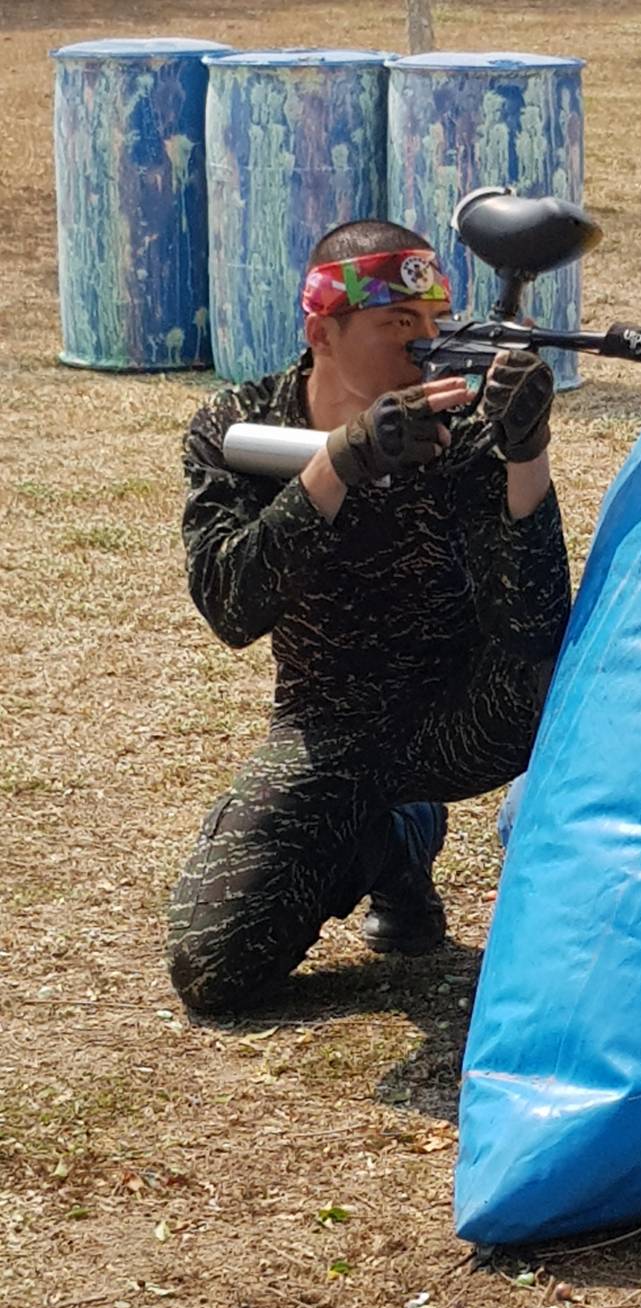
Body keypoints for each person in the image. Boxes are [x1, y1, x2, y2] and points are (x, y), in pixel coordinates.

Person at [166, 219, 570, 1017]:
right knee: (213, 967)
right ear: (323, 330)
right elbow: (228, 602)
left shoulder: (460, 425)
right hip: (331, 727)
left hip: (467, 712)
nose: (427, 346)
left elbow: (532, 625)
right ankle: (394, 842)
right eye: (398, 325)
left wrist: (525, 453)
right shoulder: (236, 425)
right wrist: (337, 464)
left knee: (560, 683)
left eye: (434, 324)